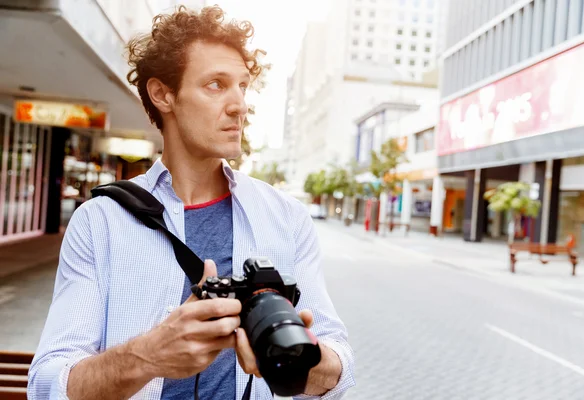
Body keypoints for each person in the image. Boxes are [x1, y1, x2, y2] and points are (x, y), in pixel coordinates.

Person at [27, 5, 355, 400]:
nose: (240, 105)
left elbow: (339, 367)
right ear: (163, 94)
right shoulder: (100, 222)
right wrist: (147, 356)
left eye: (243, 86)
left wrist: (304, 358)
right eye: (216, 84)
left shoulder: (286, 218)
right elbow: (46, 385)